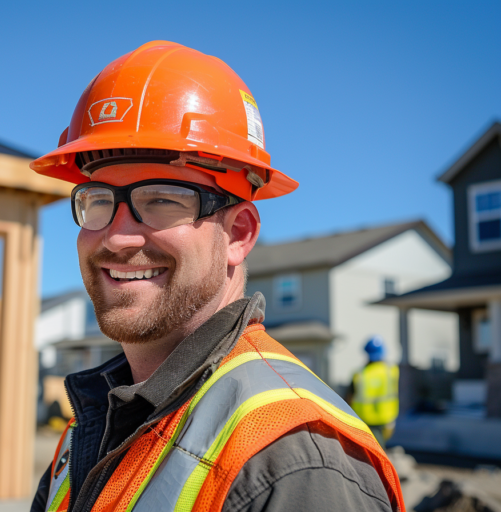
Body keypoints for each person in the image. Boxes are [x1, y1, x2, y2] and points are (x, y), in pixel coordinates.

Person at [29, 41, 404, 512]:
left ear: (239, 233)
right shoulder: (96, 426)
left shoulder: (294, 462)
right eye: (98, 199)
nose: (119, 236)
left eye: (163, 199)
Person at [349, 336, 400, 447]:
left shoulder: (359, 374)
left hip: (364, 421)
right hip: (387, 419)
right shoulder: (391, 371)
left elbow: (349, 397)